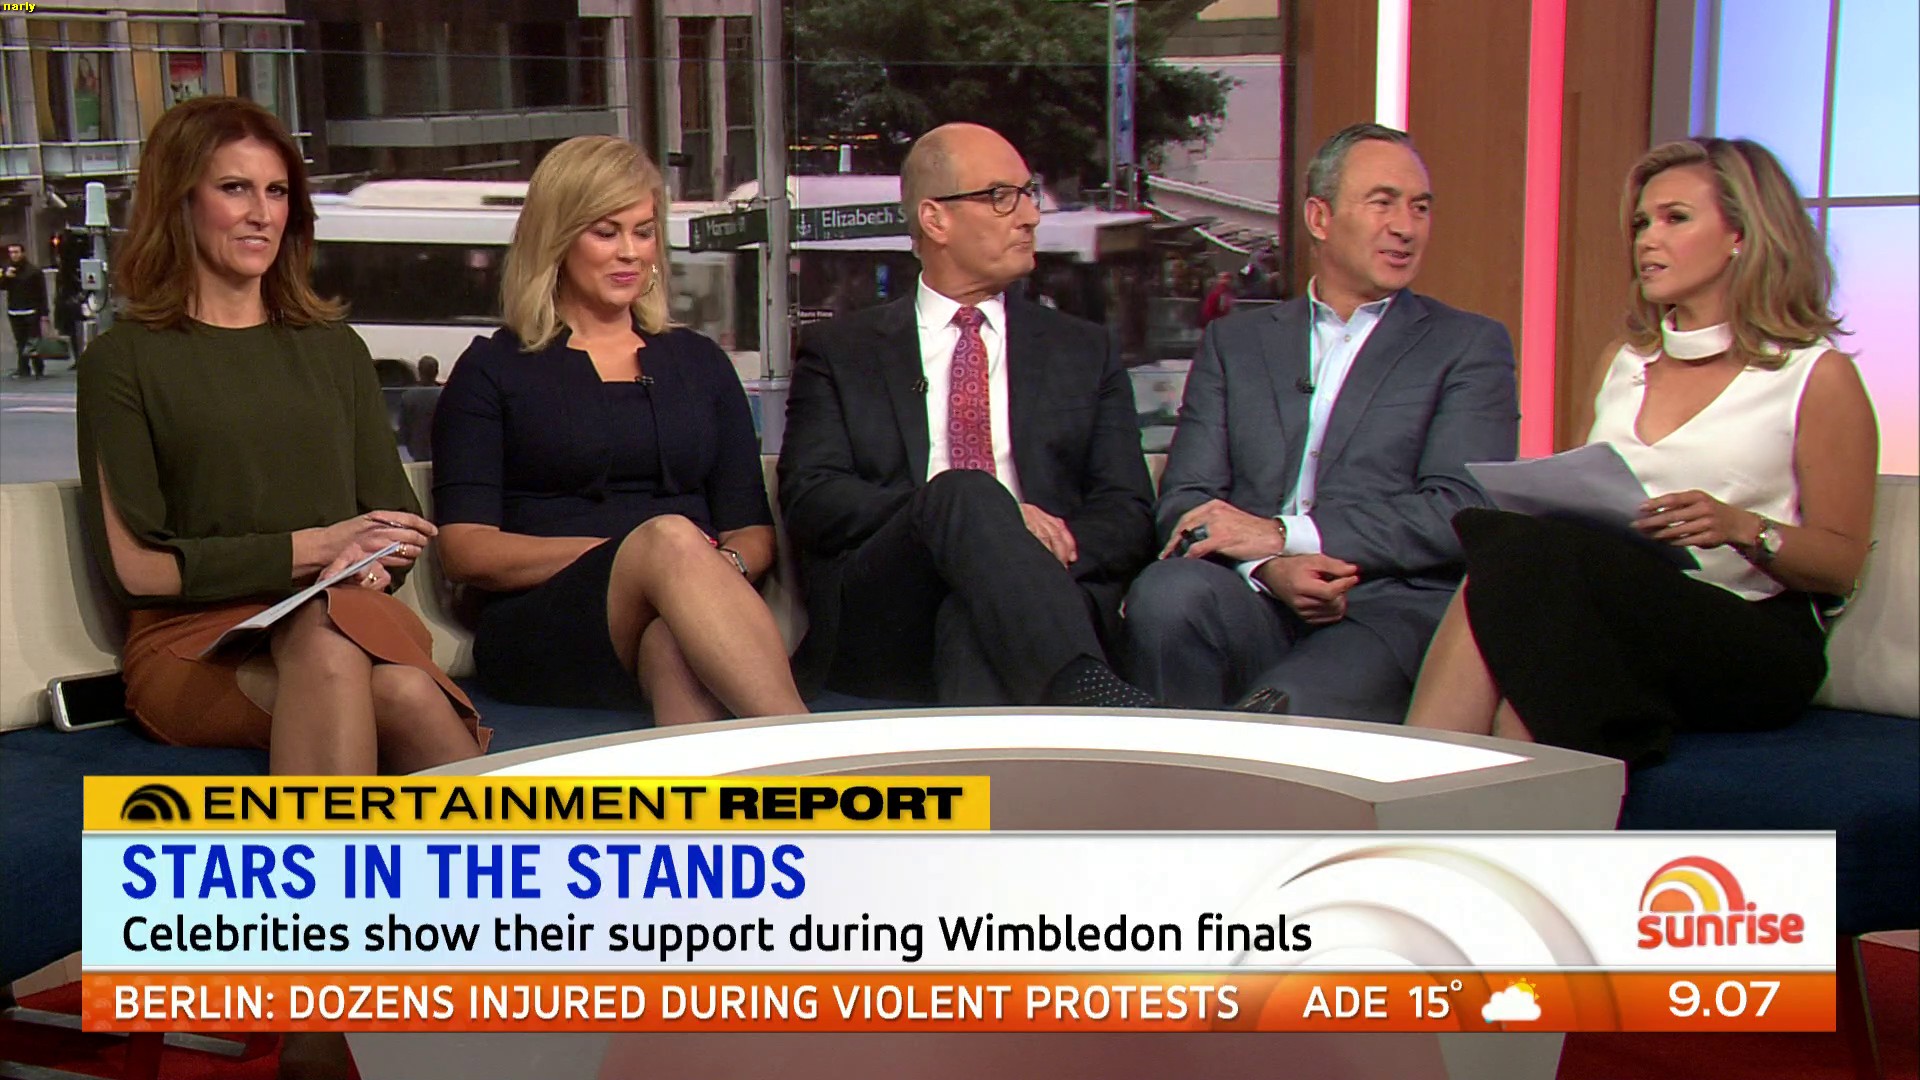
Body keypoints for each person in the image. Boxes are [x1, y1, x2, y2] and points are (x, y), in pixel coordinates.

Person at [1405, 137, 1878, 765]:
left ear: (1741, 235)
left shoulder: (1814, 375)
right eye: (1641, 224)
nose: (1647, 240)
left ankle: (1422, 792)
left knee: (1519, 561)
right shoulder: (1622, 363)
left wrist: (1740, 527)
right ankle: (1456, 796)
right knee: (1525, 576)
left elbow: (1841, 563)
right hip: (1615, 612)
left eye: (1674, 219)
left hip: (1750, 633)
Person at [75, 96, 484, 781]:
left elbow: (393, 527)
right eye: (235, 188)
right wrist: (318, 546)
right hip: (194, 644)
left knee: (355, 651)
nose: (262, 213)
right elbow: (139, 572)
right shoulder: (123, 361)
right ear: (179, 201)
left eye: (277, 191)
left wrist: (366, 563)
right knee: (386, 684)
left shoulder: (335, 350)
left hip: (346, 613)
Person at [1124, 123, 1519, 723]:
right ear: (1319, 217)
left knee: (1284, 711)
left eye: (1420, 207)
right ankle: (1174, 776)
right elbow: (1187, 498)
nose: (1406, 227)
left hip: (1383, 607)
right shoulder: (1237, 343)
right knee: (1165, 593)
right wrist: (1268, 567)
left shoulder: (1467, 345)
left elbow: (1459, 509)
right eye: (1383, 202)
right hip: (1254, 594)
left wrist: (1286, 534)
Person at [777, 122, 1157, 707]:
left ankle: (1070, 706)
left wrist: (1014, 553)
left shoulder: (1085, 350)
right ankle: (1093, 696)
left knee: (972, 617)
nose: (1030, 216)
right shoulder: (842, 351)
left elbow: (1127, 511)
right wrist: (968, 519)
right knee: (965, 493)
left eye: (1028, 194)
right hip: (887, 611)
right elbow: (812, 497)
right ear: (935, 219)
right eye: (1002, 196)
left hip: (1048, 596)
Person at [432, 135, 804, 726]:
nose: (630, 252)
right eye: (606, 233)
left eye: (644, 231)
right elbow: (466, 550)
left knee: (670, 639)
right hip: (542, 624)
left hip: (690, 606)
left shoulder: (700, 363)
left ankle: (729, 783)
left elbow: (751, 531)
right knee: (669, 538)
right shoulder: (492, 370)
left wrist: (706, 573)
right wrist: (637, 557)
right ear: (556, 239)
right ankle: (808, 749)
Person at [3, 242, 48, 378]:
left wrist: (44, 313)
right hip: (14, 310)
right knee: (20, 341)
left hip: (31, 310)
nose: (14, 255)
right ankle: (23, 368)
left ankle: (38, 367)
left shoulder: (33, 271)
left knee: (33, 341)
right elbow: (2, 287)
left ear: (22, 253)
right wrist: (5, 277)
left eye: (16, 252)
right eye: (11, 252)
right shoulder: (8, 270)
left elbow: (42, 293)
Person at [398, 354, 441, 462]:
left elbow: (403, 427)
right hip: (440, 448)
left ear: (419, 372)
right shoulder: (444, 396)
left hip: (416, 449)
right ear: (436, 372)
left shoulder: (408, 396)